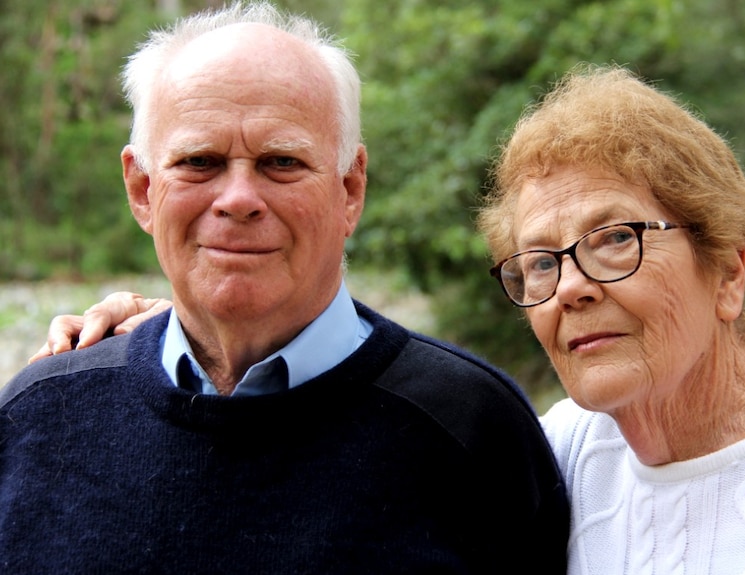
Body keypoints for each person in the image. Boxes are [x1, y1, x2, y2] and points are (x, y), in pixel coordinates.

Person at [0, 2, 569, 573]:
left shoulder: (471, 429)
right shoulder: (39, 418)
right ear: (143, 189)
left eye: (280, 161)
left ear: (349, 189)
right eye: (200, 161)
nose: (239, 199)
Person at [478, 65, 745, 572]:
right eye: (542, 262)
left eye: (616, 238)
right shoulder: (553, 459)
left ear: (727, 272)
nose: (569, 288)